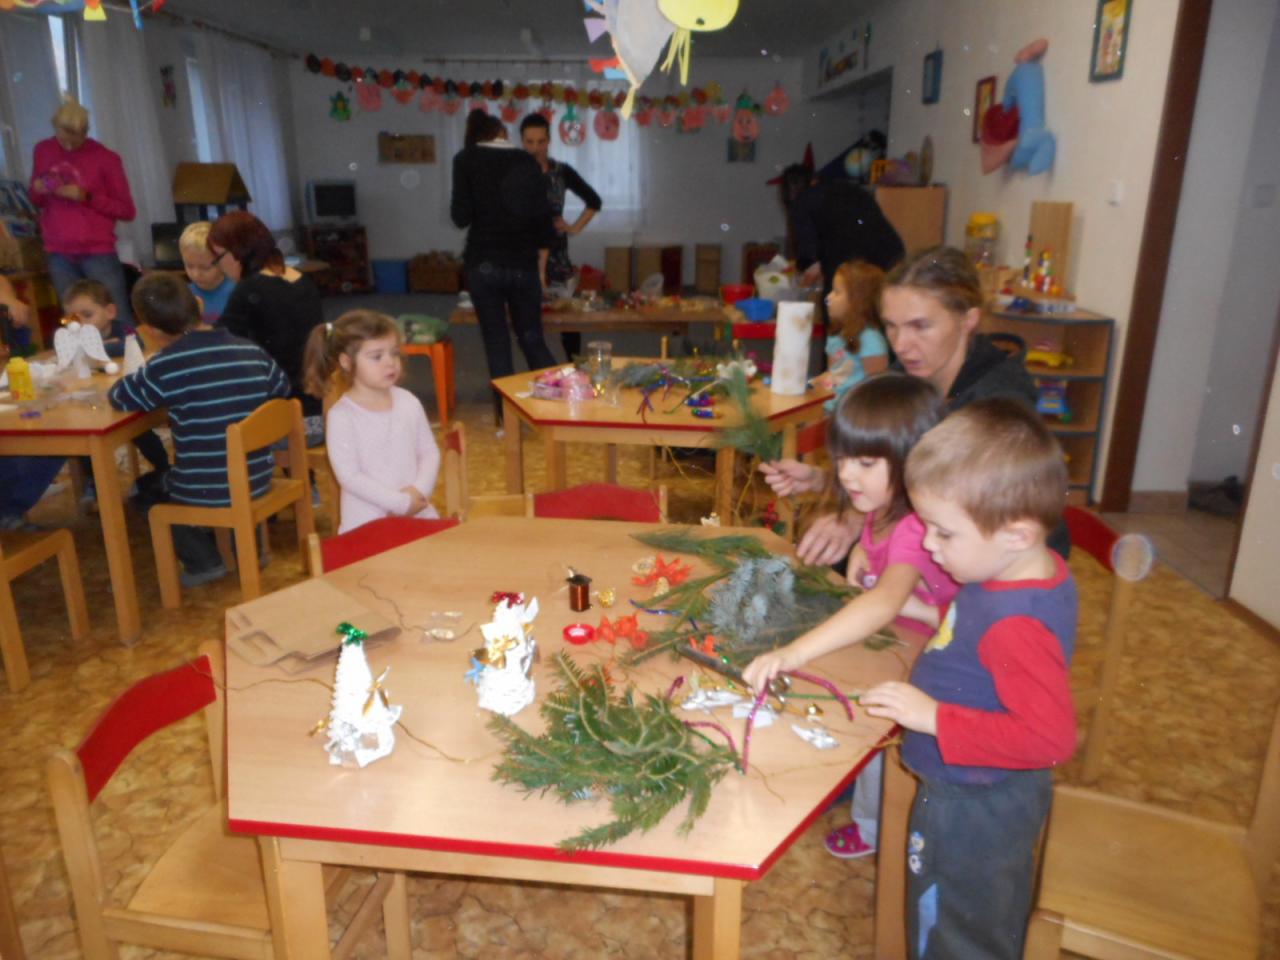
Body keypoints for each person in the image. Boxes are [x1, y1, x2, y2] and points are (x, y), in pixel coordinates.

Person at [861, 398, 1077, 960]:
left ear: (1016, 534)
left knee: (954, 932)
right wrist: (926, 611)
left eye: (943, 533)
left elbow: (1048, 739)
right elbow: (978, 635)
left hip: (974, 807)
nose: (928, 545)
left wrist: (932, 716)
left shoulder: (1016, 624)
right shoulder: (1014, 571)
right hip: (979, 793)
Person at [744, 374, 959, 861]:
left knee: (877, 731)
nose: (846, 475)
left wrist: (792, 652)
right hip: (899, 639)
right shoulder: (883, 505)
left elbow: (884, 600)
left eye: (864, 463)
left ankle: (874, 826)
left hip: (927, 656)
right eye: (842, 459)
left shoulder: (911, 525)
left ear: (911, 460)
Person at [792, 245, 1065, 567]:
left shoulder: (1001, 402)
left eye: (920, 326)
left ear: (968, 319)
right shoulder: (903, 376)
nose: (900, 344)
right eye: (891, 326)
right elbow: (898, 468)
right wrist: (825, 479)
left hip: (996, 558)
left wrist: (855, 517)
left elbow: (963, 503)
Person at [108, 272, 290, 587]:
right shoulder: (250, 349)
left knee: (144, 492)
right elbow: (282, 388)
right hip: (257, 475)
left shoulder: (167, 365)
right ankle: (251, 548)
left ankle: (203, 562)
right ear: (198, 305)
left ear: (150, 330)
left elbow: (121, 397)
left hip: (207, 486)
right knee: (222, 467)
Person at [451, 109, 558, 424]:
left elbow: (460, 217)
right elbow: (544, 224)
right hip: (523, 265)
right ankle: (558, 411)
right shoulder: (527, 161)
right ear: (504, 133)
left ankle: (506, 423)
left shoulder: (465, 159)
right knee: (532, 339)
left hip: (484, 265)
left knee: (497, 345)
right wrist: (541, 269)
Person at [303, 311, 440, 534]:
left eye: (394, 353)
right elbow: (350, 477)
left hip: (417, 513)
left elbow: (429, 451)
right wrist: (400, 503)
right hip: (366, 525)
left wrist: (419, 493)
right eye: (377, 357)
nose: (390, 363)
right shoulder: (342, 416)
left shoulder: (408, 401)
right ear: (347, 363)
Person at [210, 211, 325, 444]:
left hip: (284, 422)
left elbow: (217, 347)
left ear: (237, 252)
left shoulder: (249, 290)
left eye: (218, 258)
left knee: (209, 425)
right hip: (318, 413)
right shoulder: (303, 281)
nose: (219, 267)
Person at [29, 96, 137, 326]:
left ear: (86, 132)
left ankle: (127, 349)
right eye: (62, 140)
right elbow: (36, 199)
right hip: (58, 251)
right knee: (73, 322)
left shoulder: (106, 159)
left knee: (116, 316)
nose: (68, 147)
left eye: (74, 141)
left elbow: (127, 211)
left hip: (97, 251)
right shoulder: (43, 150)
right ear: (55, 129)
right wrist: (39, 189)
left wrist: (86, 197)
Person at [61, 279, 170, 504]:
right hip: (90, 396)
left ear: (109, 312)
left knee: (142, 432)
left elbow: (134, 344)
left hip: (124, 395)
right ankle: (93, 482)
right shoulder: (73, 336)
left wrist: (97, 349)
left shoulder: (123, 328)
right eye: (74, 318)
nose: (81, 324)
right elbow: (65, 353)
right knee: (84, 434)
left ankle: (163, 467)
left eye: (88, 315)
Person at [520, 112, 603, 361]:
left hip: (557, 255)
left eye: (540, 141)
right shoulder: (515, 172)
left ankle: (575, 365)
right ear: (522, 142)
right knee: (529, 319)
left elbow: (594, 201)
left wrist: (574, 227)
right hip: (525, 252)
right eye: (529, 142)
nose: (535, 148)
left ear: (549, 141)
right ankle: (540, 371)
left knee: (568, 318)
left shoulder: (561, 171)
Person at [780, 165, 904, 298]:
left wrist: (800, 286)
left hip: (855, 260)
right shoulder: (847, 188)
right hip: (890, 252)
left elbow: (811, 262)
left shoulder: (801, 203)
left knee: (837, 299)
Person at [818, 260, 890, 412]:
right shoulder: (835, 334)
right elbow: (833, 376)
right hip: (830, 408)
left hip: (855, 414)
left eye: (836, 292)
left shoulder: (871, 339)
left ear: (857, 300)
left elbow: (877, 390)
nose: (828, 297)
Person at [178, 221, 235, 326]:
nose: (196, 274)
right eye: (189, 266)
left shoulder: (237, 292)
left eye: (205, 268)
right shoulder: (183, 294)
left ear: (223, 261)